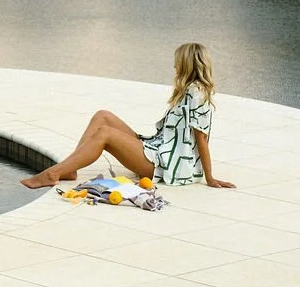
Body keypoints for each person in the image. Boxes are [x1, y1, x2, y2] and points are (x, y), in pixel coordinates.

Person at [21, 42, 235, 189]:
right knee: (102, 116)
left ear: (187, 65)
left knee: (105, 134)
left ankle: (53, 174)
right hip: (156, 148)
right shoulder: (188, 90)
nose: (174, 65)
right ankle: (70, 169)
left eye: (177, 60)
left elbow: (201, 139)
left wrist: (210, 177)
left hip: (164, 164)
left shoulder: (197, 94)